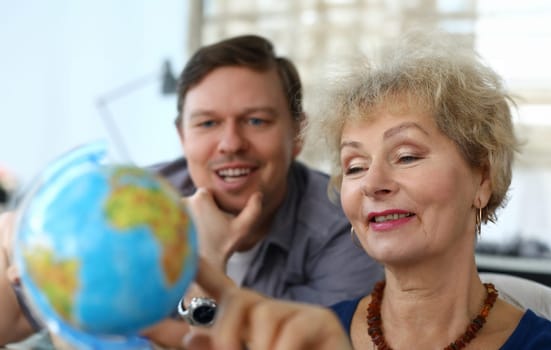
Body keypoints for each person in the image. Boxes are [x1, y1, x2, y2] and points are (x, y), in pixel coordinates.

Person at [180, 31, 551, 349]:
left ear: (482, 178)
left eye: (407, 156)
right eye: (354, 166)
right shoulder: (313, 337)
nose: (373, 185)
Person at [0, 34, 383, 348]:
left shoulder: (346, 228)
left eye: (255, 120)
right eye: (207, 123)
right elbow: (13, 315)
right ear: (182, 137)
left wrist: (204, 263)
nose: (230, 143)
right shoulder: (125, 203)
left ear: (297, 135)